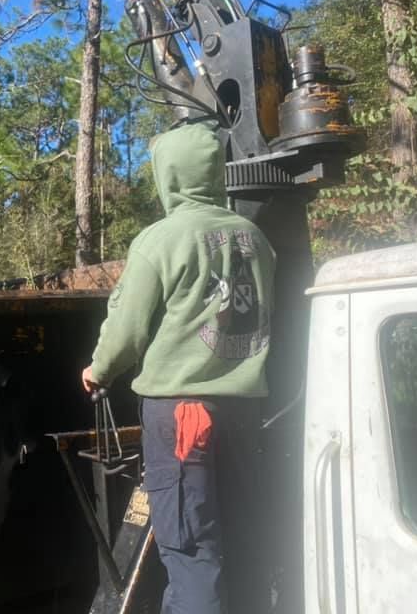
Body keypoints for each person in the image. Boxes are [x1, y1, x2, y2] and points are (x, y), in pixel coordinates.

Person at [81, 122, 275, 614]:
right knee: (244, 540)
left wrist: (99, 369)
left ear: (167, 175)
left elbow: (129, 328)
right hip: (247, 411)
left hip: (185, 416)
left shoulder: (161, 239)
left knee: (191, 550)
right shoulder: (255, 239)